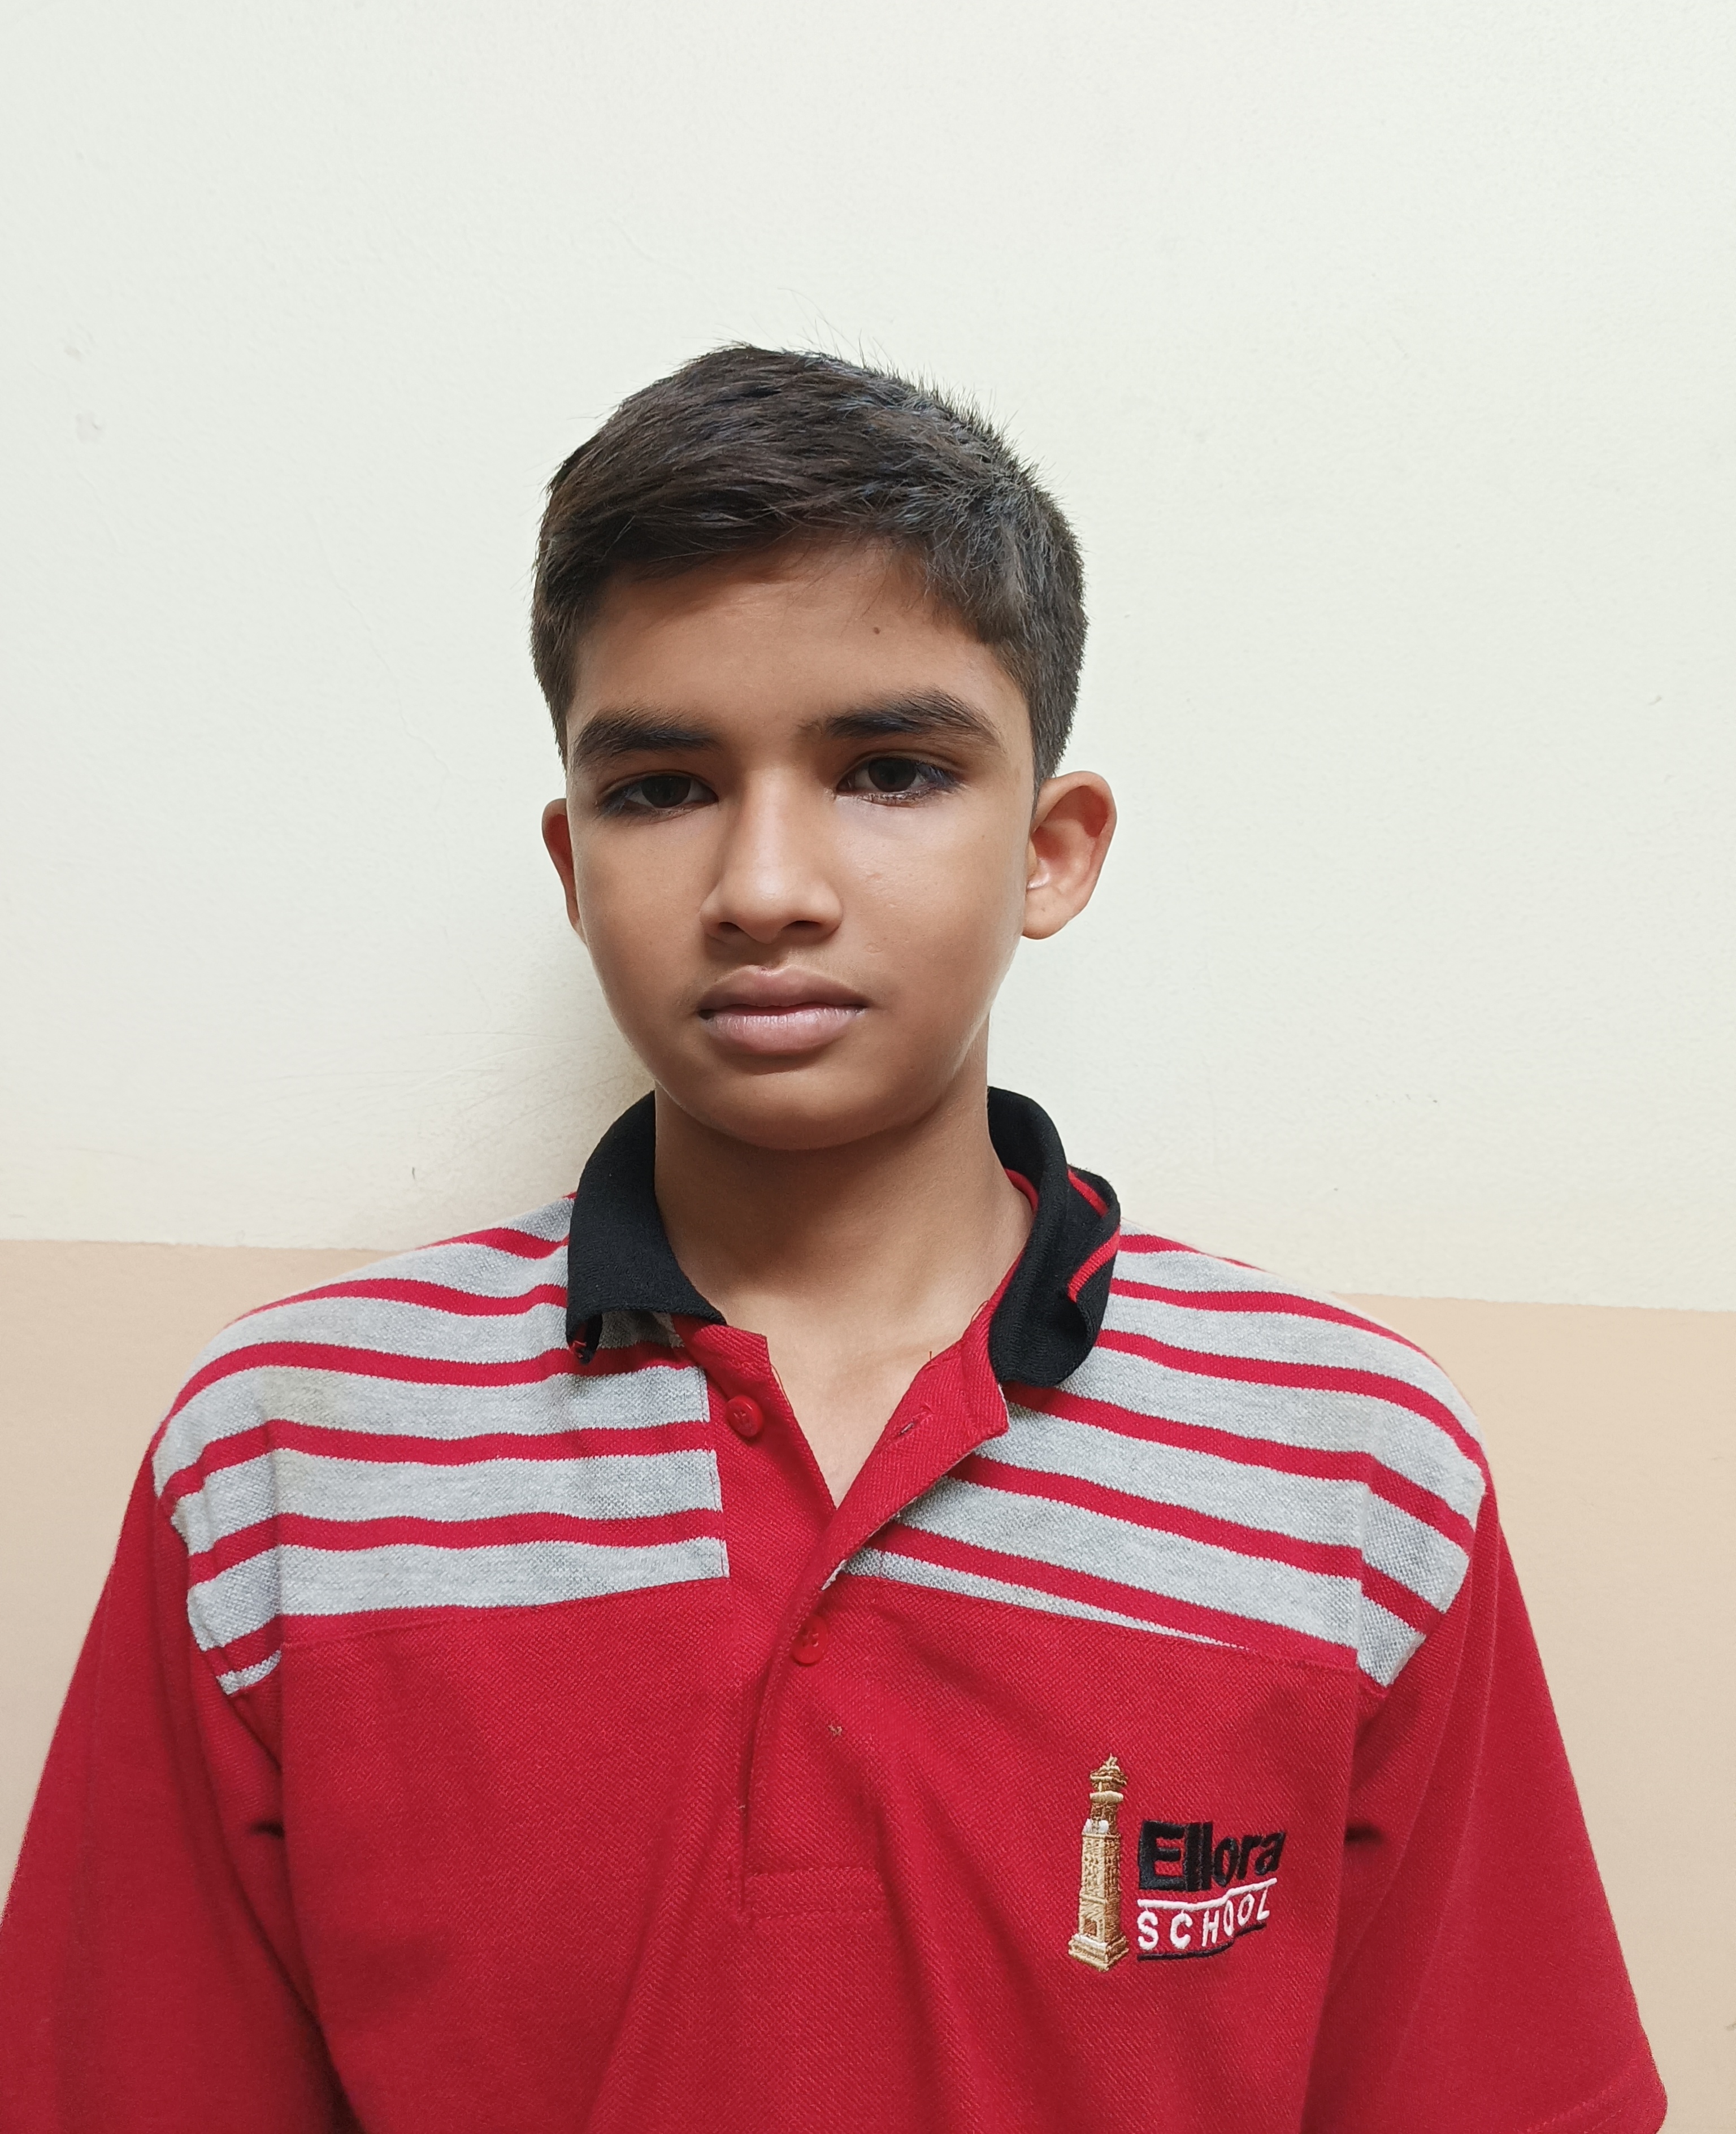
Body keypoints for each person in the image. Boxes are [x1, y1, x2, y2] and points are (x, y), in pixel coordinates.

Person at [0, 348, 1664, 2133]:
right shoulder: (286, 1460)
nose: (768, 888)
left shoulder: (1349, 1468)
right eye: (663, 788)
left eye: (889, 769)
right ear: (572, 865)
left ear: (1053, 848)